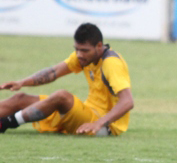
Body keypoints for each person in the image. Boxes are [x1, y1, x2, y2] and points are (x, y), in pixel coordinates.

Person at [0, 23, 134, 136]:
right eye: (77, 49)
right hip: (86, 113)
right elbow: (54, 72)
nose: (79, 54)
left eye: (84, 50)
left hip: (104, 125)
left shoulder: (111, 63)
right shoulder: (85, 57)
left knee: (61, 96)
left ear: (99, 46)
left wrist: (98, 123)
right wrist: (22, 82)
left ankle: (5, 123)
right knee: (21, 98)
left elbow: (127, 101)